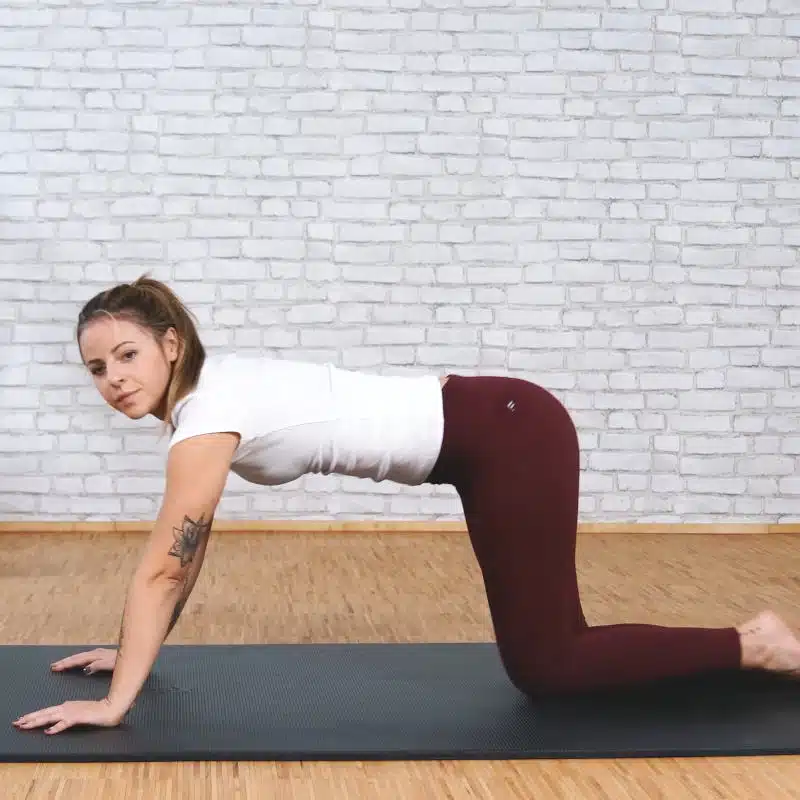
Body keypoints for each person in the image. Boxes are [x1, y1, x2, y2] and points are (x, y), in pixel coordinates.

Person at [13, 275, 800, 736]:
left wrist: (115, 703)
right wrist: (137, 650)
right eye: (96, 369)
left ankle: (754, 643)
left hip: (506, 434)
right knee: (553, 654)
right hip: (489, 438)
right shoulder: (209, 403)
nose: (114, 379)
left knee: (551, 664)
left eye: (127, 354)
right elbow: (189, 552)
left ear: (170, 345)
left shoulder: (207, 413)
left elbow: (163, 566)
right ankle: (740, 647)